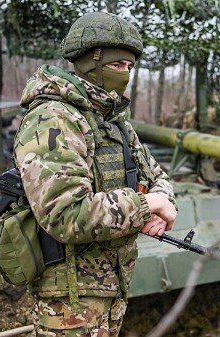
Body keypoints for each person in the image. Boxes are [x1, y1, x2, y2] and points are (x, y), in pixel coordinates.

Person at [14, 12, 177, 336]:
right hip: (68, 301)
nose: (126, 75)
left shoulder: (114, 123)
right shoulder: (54, 119)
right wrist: (146, 206)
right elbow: (65, 214)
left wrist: (160, 203)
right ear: (92, 63)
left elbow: (157, 176)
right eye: (119, 66)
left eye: (131, 67)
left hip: (112, 287)